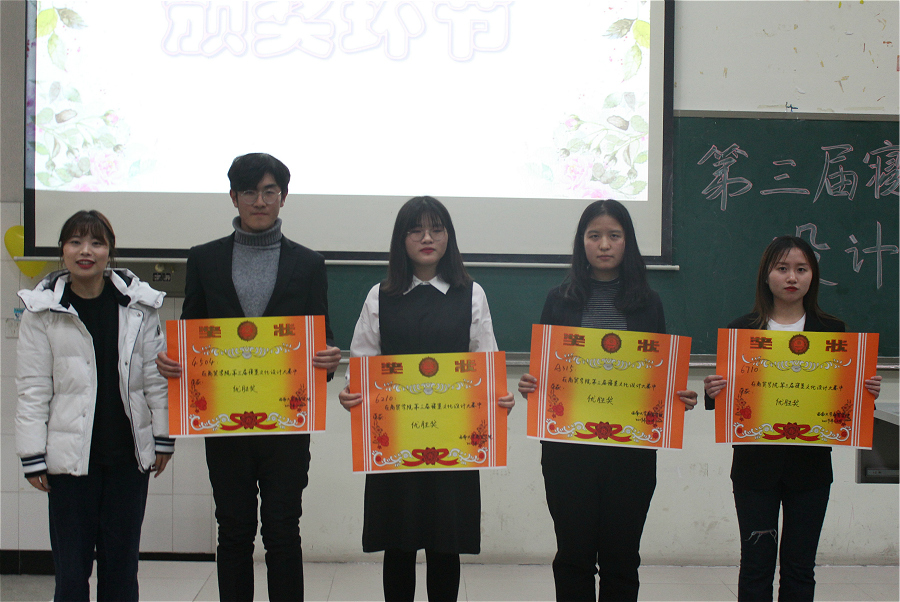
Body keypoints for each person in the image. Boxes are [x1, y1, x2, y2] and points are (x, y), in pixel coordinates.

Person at [155, 153, 341, 601]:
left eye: (269, 191)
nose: (260, 201)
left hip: (287, 427)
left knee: (282, 530)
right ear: (233, 197)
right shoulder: (204, 259)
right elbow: (192, 332)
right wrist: (174, 364)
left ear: (284, 197)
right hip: (225, 425)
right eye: (250, 192)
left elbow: (322, 340)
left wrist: (328, 361)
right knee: (234, 531)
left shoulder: (309, 264)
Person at [517, 199, 698, 602]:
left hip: (630, 454)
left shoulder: (649, 302)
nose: (603, 245)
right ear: (581, 242)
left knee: (622, 560)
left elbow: (657, 374)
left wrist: (676, 395)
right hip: (568, 452)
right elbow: (546, 371)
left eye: (614, 236)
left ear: (627, 242)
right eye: (594, 235)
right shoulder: (559, 299)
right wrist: (533, 383)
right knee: (573, 557)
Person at [338, 196, 514, 602]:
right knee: (397, 544)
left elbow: (486, 362)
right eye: (415, 230)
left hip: (452, 440)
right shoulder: (379, 295)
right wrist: (352, 394)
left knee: (445, 544)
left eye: (437, 229)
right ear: (401, 240)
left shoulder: (471, 294)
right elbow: (361, 364)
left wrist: (498, 398)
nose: (427, 238)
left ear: (449, 237)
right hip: (397, 440)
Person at [703, 236, 881, 602]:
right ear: (766, 275)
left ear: (813, 276)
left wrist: (866, 392)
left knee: (800, 567)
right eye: (782, 268)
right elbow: (729, 402)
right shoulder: (741, 331)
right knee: (756, 565)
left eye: (801, 269)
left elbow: (843, 400)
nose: (792, 277)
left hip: (810, 469)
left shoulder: (832, 331)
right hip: (755, 468)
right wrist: (713, 390)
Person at [16, 210, 173, 602]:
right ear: (63, 250)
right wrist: (32, 455)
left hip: (127, 460)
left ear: (109, 252)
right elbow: (33, 388)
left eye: (96, 243)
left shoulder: (140, 306)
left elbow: (155, 380)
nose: (85, 251)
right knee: (71, 575)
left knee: (122, 572)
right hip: (70, 465)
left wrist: (163, 436)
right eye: (75, 242)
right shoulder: (41, 312)